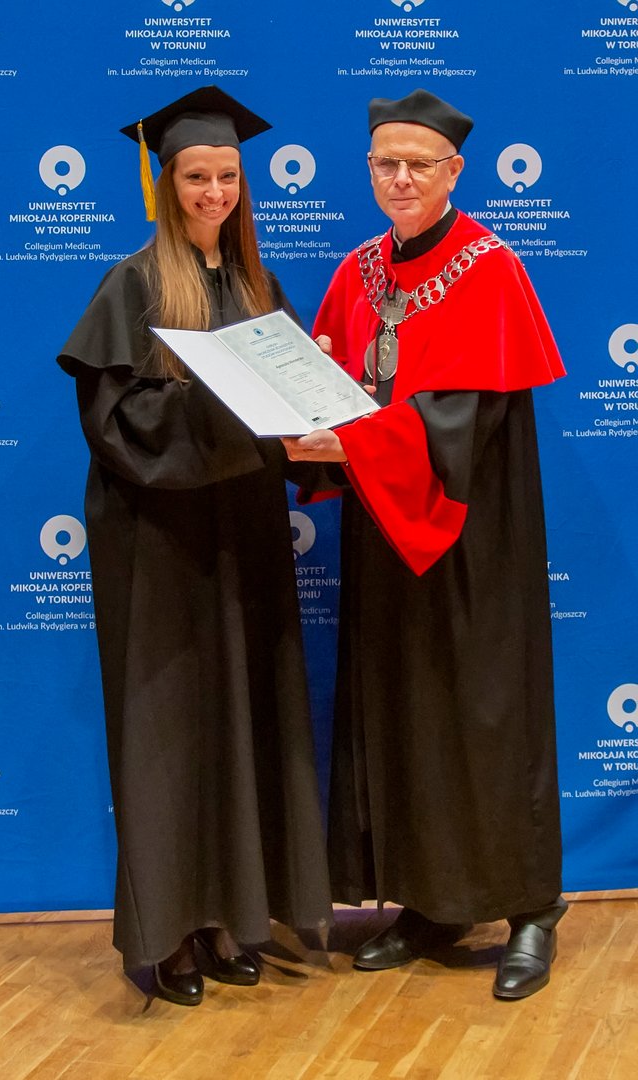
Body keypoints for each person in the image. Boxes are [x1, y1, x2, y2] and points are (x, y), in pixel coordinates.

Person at [283, 89, 567, 1001]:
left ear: (455, 172)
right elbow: (329, 382)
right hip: (385, 536)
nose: (400, 178)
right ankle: (434, 902)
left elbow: (463, 418)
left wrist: (352, 442)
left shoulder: (491, 269)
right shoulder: (359, 269)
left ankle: (531, 909)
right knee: (404, 715)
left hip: (474, 540)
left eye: (418, 164)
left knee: (487, 716)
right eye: (385, 164)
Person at [57, 87, 333, 1007]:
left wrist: (313, 420)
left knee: (244, 719)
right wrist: (225, 409)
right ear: (166, 184)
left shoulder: (259, 288)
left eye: (227, 177)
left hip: (244, 536)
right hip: (162, 546)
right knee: (170, 732)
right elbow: (119, 424)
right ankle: (169, 935)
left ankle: (230, 919)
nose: (214, 192)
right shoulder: (133, 285)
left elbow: (288, 407)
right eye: (195, 177)